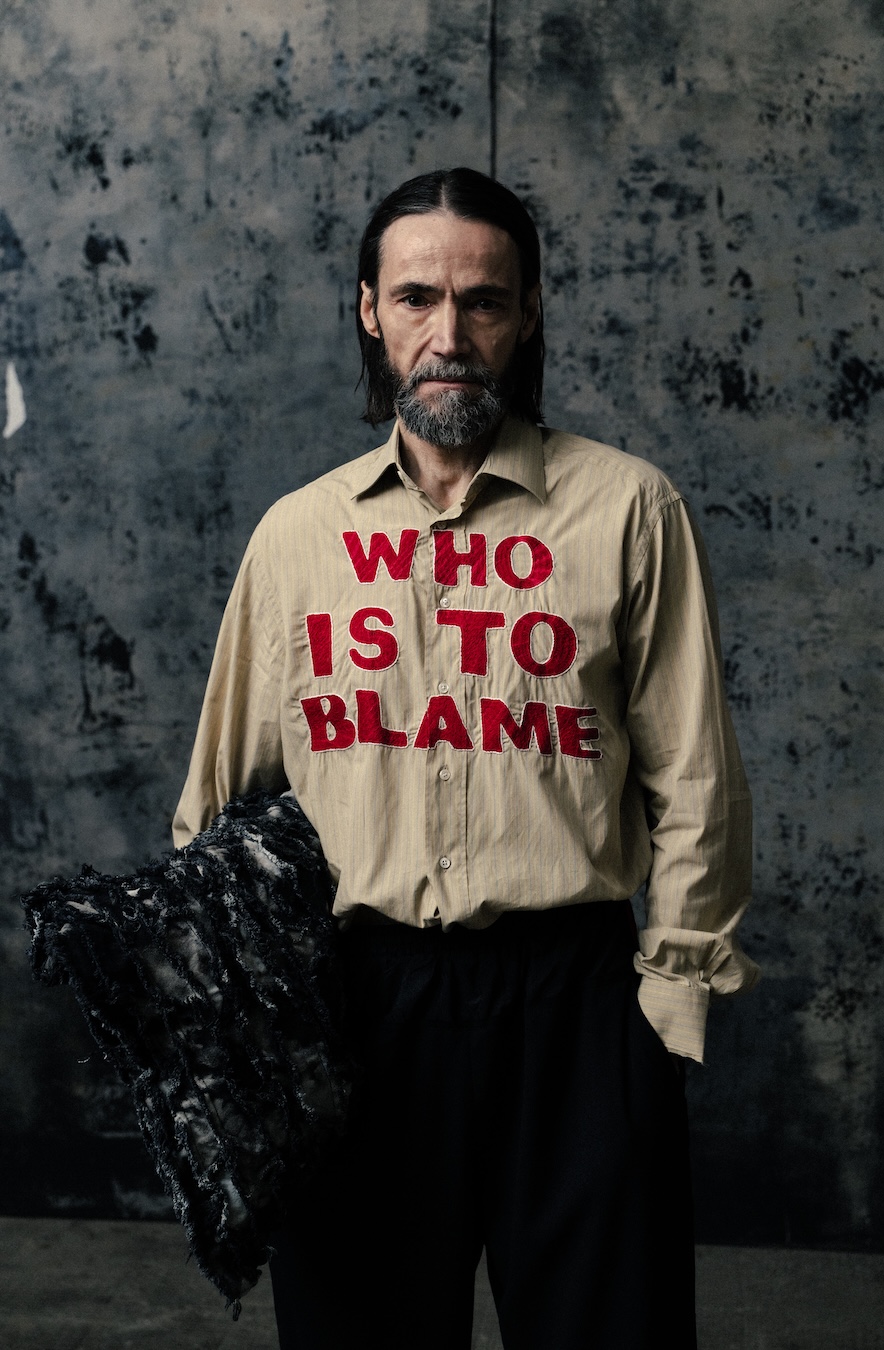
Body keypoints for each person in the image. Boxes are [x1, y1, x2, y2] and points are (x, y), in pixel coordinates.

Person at [173, 167, 759, 1350]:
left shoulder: (630, 511)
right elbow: (219, 807)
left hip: (577, 1007)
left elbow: (696, 781)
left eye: (484, 301)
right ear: (369, 310)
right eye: (417, 298)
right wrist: (237, 1021)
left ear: (528, 312)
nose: (450, 336)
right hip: (356, 1007)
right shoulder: (299, 538)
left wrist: (667, 1004)